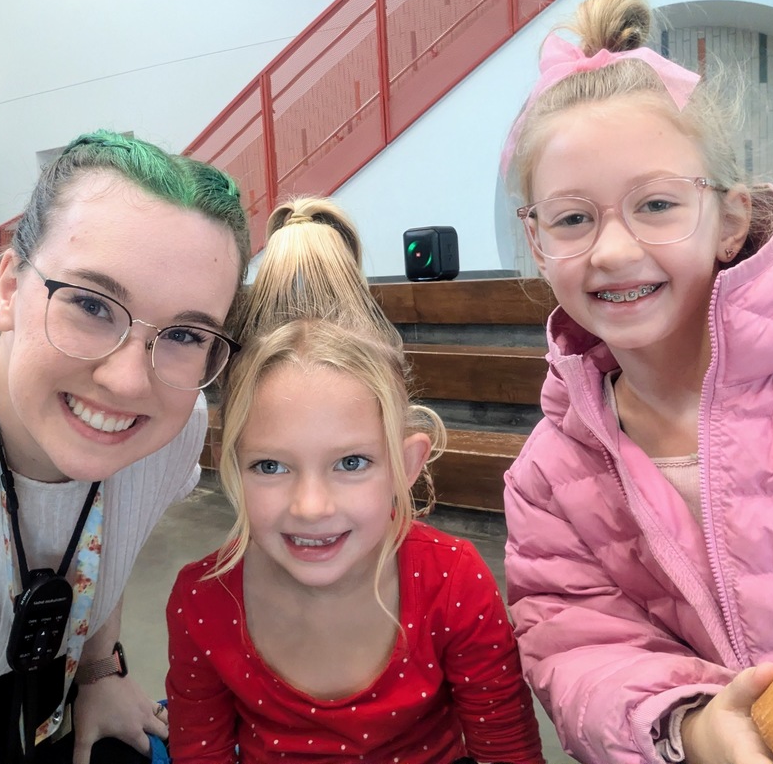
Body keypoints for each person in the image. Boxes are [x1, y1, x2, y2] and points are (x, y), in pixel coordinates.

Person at [500, 0, 773, 763]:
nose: (613, 250)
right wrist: (691, 726)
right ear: (535, 238)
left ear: (729, 217)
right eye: (572, 219)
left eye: (656, 204)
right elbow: (579, 649)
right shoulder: (548, 475)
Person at [0, 130, 250, 764]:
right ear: (8, 290)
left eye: (185, 333)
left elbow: (110, 539)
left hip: (43, 710)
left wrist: (99, 670)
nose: (128, 380)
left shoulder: (176, 423)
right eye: (91, 303)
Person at [165, 197, 546, 764]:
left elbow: (507, 754)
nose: (312, 506)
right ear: (232, 467)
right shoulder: (201, 601)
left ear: (406, 465)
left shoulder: (452, 582)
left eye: (351, 463)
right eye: (271, 466)